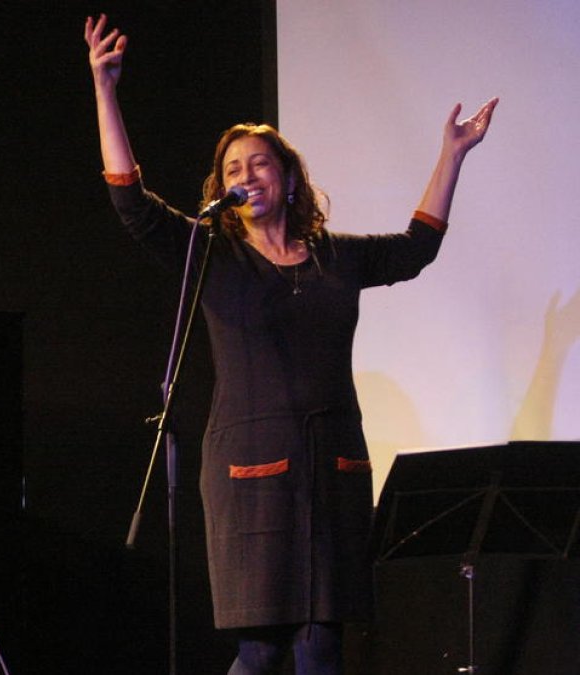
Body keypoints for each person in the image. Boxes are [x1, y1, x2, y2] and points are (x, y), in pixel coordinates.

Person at [83, 13, 497, 675]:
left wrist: (451, 155)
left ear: (288, 177)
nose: (248, 173)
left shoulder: (336, 258)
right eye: (234, 168)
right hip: (250, 472)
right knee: (262, 648)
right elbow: (131, 205)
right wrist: (106, 89)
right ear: (225, 190)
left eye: (261, 162)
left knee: (322, 643)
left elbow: (418, 249)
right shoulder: (215, 256)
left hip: (332, 468)